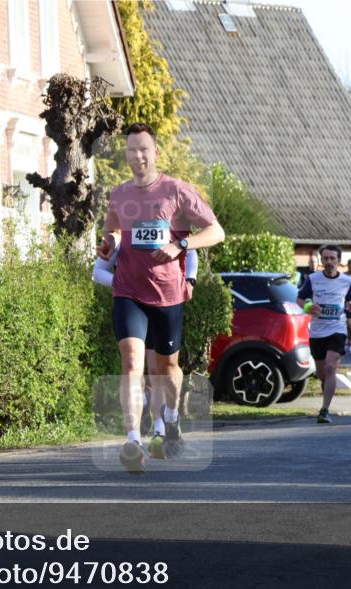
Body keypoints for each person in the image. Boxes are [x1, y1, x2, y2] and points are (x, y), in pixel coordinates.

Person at [97, 122, 225, 474]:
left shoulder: (177, 191)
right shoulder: (120, 194)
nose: (137, 156)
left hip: (168, 293)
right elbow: (113, 231)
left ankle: (170, 417)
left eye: (143, 149)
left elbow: (216, 231)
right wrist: (108, 244)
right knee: (132, 362)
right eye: (131, 150)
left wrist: (181, 244)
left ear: (155, 152)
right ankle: (132, 439)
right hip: (128, 290)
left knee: (167, 369)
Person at [93, 245, 199, 455]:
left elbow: (190, 249)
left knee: (158, 369)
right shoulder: (122, 232)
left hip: (164, 302)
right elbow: (98, 271)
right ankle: (133, 440)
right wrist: (123, 283)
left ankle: (162, 427)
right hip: (131, 303)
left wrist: (190, 280)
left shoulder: (166, 222)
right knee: (132, 364)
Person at [297, 245, 351, 424]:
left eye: (333, 259)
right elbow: (299, 299)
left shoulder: (347, 281)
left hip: (337, 329)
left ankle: (324, 410)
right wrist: (309, 307)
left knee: (332, 367)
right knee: (322, 373)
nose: (329, 262)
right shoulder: (313, 279)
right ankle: (327, 394)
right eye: (326, 259)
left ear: (339, 261)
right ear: (322, 260)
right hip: (317, 331)